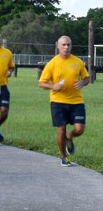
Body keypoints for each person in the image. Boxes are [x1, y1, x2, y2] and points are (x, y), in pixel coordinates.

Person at [38, 35, 90, 167]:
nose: (66, 47)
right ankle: (63, 157)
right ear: (58, 46)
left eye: (68, 45)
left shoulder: (77, 62)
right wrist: (53, 86)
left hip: (76, 101)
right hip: (58, 101)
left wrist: (82, 83)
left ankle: (70, 136)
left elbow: (87, 78)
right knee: (61, 129)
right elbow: (41, 83)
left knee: (79, 129)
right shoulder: (52, 64)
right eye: (64, 45)